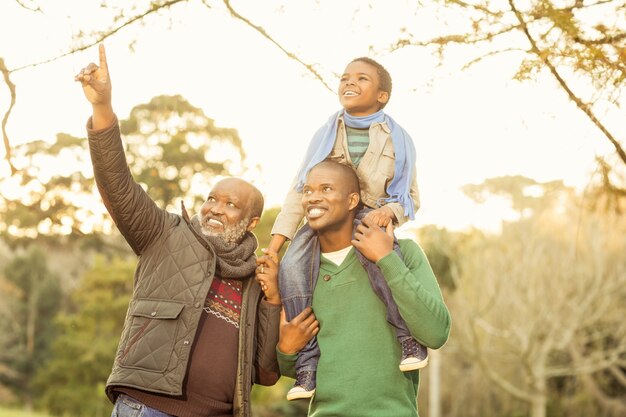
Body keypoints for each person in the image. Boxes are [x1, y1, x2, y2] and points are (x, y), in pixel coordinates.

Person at [75, 44, 281, 417]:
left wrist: (273, 299)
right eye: (212, 198)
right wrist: (101, 107)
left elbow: (264, 373)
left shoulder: (257, 279)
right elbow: (118, 185)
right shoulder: (166, 235)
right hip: (147, 407)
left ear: (252, 223)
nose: (215, 208)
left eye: (231, 204)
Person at [263, 56, 425, 400]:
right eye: (344, 77)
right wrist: (276, 246)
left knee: (382, 263)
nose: (349, 82)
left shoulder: (398, 139)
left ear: (382, 95)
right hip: (327, 215)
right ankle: (307, 364)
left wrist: (388, 216)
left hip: (371, 215)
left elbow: (410, 197)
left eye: (361, 78)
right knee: (293, 268)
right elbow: (300, 191)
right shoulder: (325, 134)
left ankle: (408, 339)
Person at [276, 160, 450, 416]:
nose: (313, 198)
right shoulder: (296, 275)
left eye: (326, 189)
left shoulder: (403, 254)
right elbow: (291, 369)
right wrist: (286, 350)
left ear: (352, 200)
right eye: (308, 191)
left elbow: (436, 333)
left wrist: (386, 259)